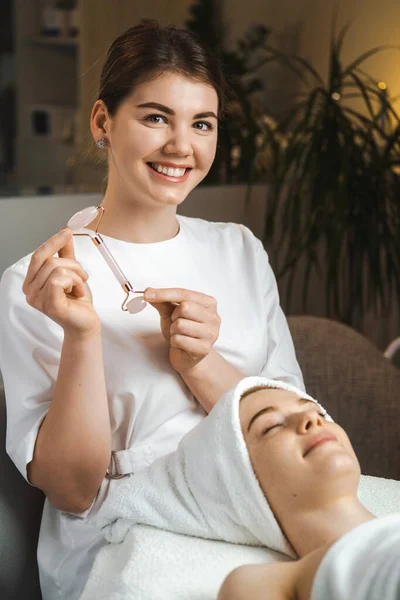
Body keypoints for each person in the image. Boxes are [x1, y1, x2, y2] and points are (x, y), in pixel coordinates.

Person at [0, 21, 303, 600]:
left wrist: (200, 364)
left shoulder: (239, 248)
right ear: (102, 123)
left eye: (202, 124)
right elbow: (70, 490)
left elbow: (290, 425)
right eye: (156, 117)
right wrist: (83, 337)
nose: (181, 146)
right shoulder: (36, 283)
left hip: (253, 519)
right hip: (124, 548)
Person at [218, 383, 400, 600]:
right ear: (239, 485)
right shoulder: (261, 583)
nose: (314, 420)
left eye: (318, 411)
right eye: (272, 426)